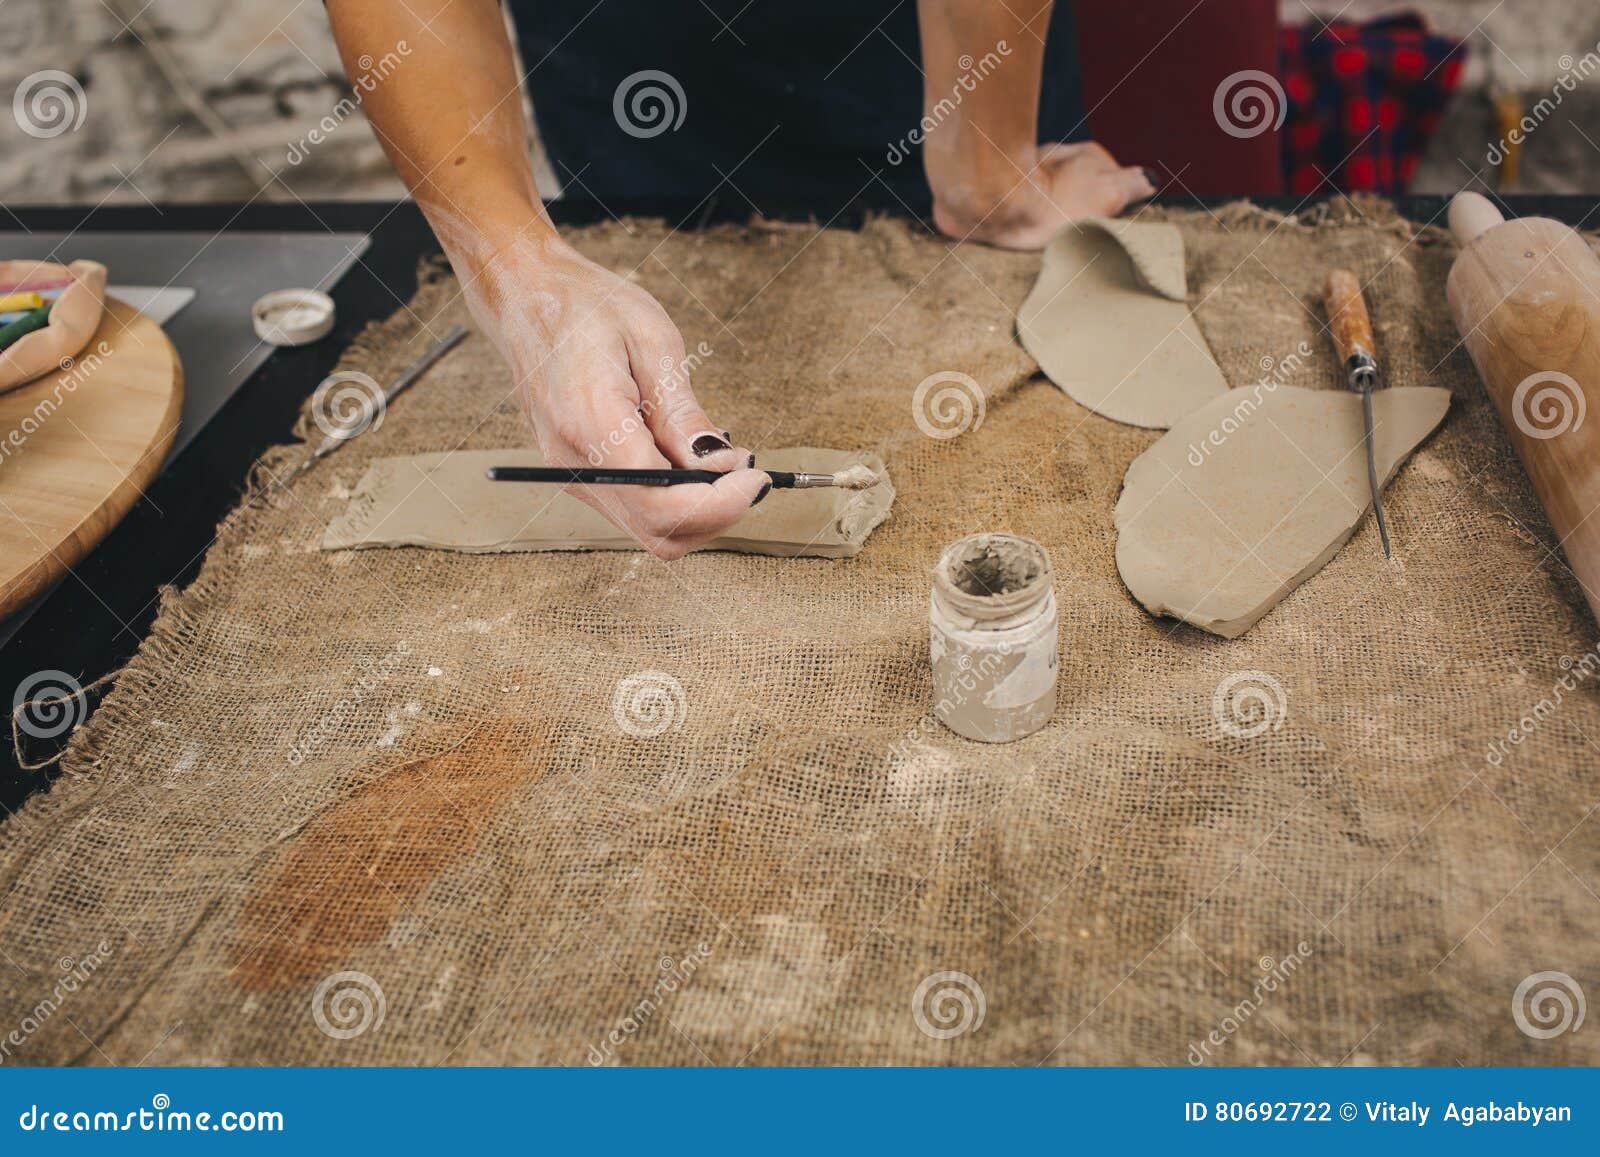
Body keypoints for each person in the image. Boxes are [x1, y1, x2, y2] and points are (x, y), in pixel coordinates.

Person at [326, 1, 1152, 559]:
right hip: (629, 82)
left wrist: (988, 167)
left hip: (930, 59)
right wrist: (515, 267)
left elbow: (987, 171)